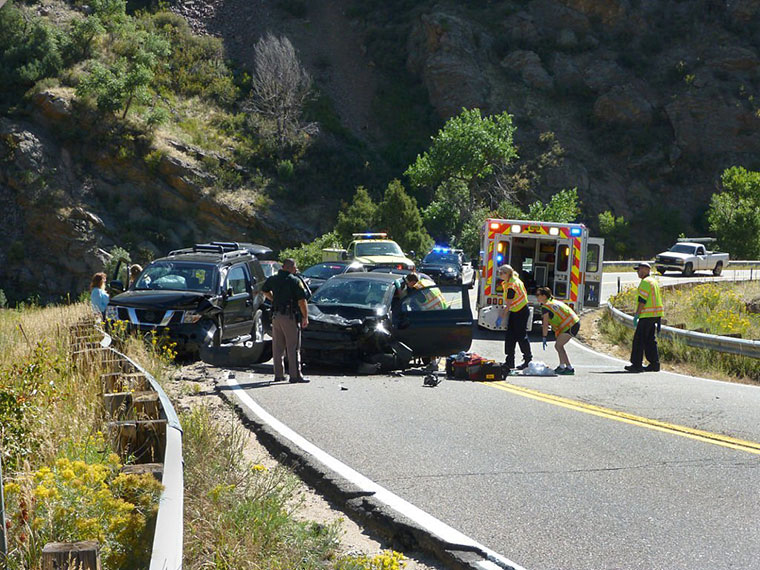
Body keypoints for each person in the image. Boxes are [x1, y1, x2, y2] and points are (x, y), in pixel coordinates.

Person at [262, 258, 310, 383]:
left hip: (276, 315)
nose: (296, 270)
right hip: (289, 316)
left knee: (277, 346)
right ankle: (295, 375)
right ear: (290, 267)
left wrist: (273, 300)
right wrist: (305, 317)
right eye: (295, 268)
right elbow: (302, 301)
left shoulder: (273, 278)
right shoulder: (294, 281)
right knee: (292, 346)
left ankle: (278, 374)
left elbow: (264, 290)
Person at [625, 261, 663, 373]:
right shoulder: (653, 281)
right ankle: (654, 364)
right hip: (655, 315)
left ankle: (636, 365)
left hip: (647, 315)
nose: (638, 272)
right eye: (637, 270)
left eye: (640, 269)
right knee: (650, 340)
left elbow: (642, 300)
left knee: (639, 340)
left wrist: (637, 314)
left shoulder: (645, 282)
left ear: (646, 270)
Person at [536, 287, 580, 375]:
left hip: (571, 325)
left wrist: (544, 336)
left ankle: (569, 368)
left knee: (558, 346)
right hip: (572, 323)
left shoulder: (546, 307)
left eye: (538, 295)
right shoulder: (552, 302)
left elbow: (545, 324)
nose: (536, 297)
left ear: (544, 296)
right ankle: (562, 366)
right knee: (559, 346)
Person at [496, 264, 533, 370]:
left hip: (520, 311)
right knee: (510, 336)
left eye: (502, 272)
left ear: (508, 274)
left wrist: (501, 316)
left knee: (521, 336)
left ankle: (527, 360)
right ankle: (509, 362)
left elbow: (508, 303)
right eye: (499, 272)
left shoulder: (512, 284)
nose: (500, 274)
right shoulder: (510, 281)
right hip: (516, 310)